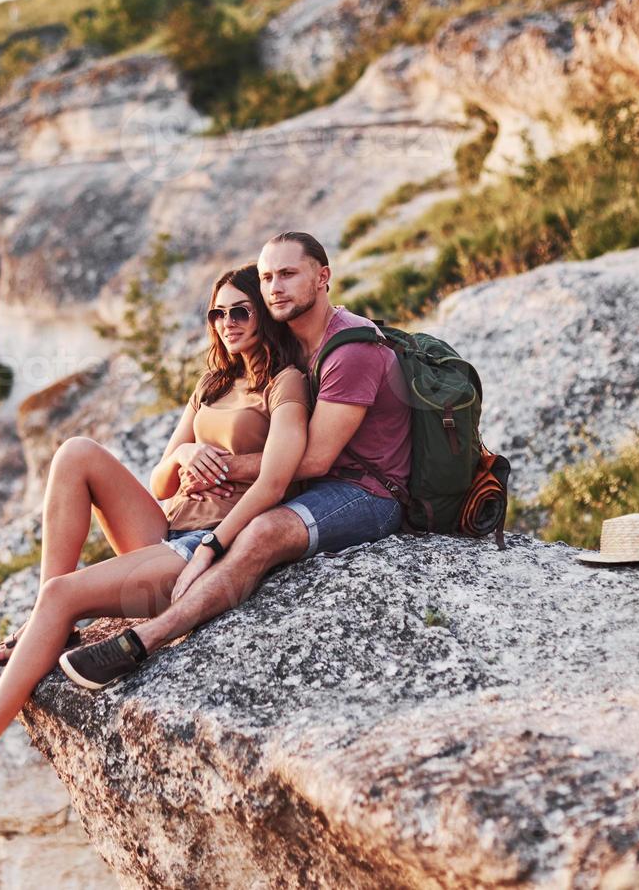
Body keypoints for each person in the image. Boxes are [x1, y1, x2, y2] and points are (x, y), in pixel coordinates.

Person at [0, 262, 311, 790]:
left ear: (265, 314)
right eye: (217, 312)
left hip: (208, 547)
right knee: (75, 453)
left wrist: (223, 468)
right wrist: (187, 453)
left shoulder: (285, 382)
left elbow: (286, 471)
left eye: (241, 310)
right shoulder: (214, 381)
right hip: (167, 526)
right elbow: (160, 481)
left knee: (67, 593)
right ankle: (51, 615)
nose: (228, 321)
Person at [57, 230, 411, 689]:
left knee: (262, 531)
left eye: (288, 274)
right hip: (313, 488)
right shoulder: (293, 343)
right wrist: (191, 459)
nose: (276, 287)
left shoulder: (351, 349)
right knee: (251, 522)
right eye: (267, 277)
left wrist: (215, 473)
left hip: (368, 491)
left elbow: (316, 461)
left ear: (323, 278)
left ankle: (148, 637)